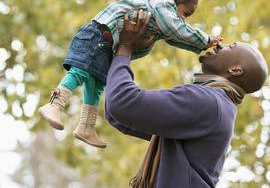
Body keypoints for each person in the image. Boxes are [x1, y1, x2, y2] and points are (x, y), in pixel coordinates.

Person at [38, 0, 222, 149]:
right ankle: (54, 105)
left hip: (107, 45)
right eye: (185, 13)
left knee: (95, 85)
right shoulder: (161, 6)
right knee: (80, 72)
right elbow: (177, 29)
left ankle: (86, 126)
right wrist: (205, 38)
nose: (183, 19)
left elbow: (175, 37)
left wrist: (201, 46)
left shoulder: (160, 19)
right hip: (98, 35)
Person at [105, 15, 268, 187]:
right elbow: (119, 115)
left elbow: (121, 103)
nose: (220, 44)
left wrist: (125, 47)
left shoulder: (209, 102)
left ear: (235, 70)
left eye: (230, 46)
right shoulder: (221, 106)